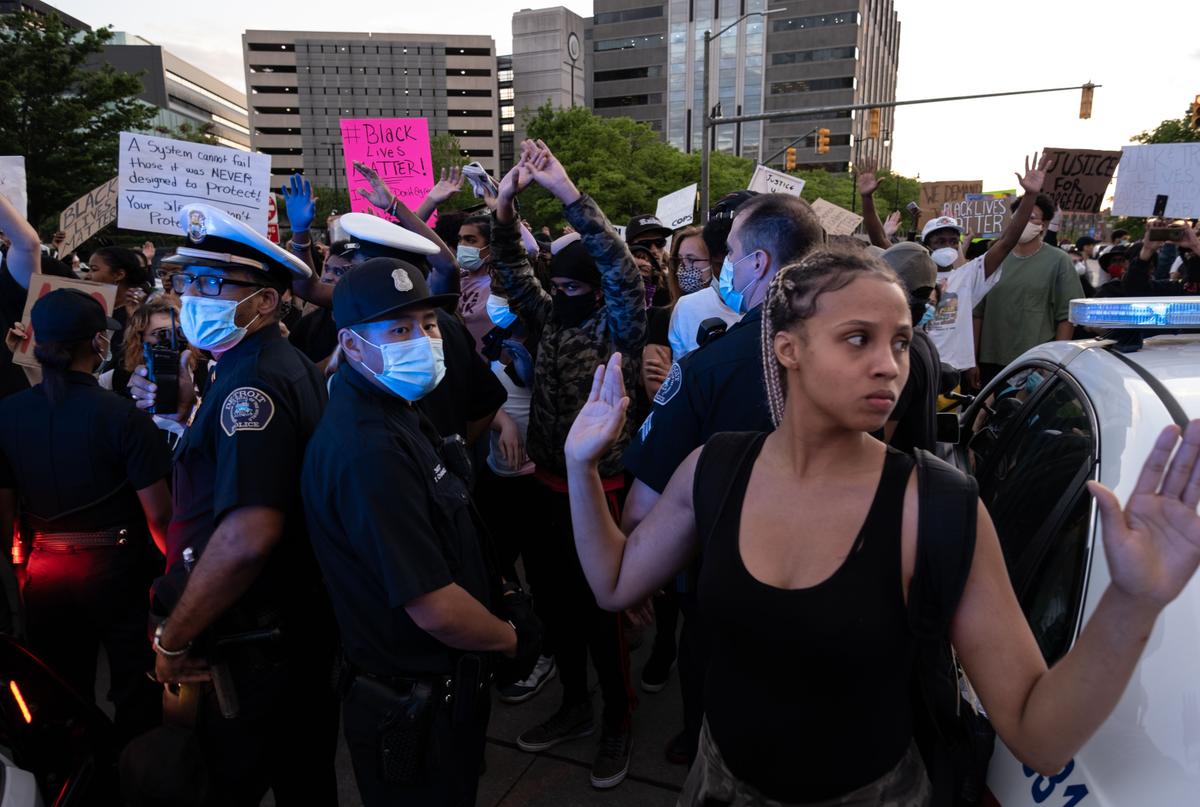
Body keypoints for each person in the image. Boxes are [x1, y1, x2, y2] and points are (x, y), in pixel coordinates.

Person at [564, 250, 1200, 805]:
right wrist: (580, 467)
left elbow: (1038, 734)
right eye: (857, 338)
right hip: (718, 786)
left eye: (899, 340)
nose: (890, 365)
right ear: (789, 347)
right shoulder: (716, 470)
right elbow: (616, 583)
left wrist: (1133, 602)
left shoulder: (938, 506)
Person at [301, 256, 541, 807]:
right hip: (410, 703)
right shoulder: (369, 450)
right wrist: (509, 641)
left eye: (429, 325)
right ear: (353, 345)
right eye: (400, 329)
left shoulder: (397, 408)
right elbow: (432, 605)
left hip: (440, 695)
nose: (424, 340)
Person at [128, 204, 337, 805]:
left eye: (211, 284)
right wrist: (184, 415)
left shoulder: (252, 385)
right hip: (273, 630)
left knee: (241, 778)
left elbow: (247, 537)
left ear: (266, 301)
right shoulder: (245, 366)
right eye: (186, 281)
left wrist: (174, 639)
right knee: (303, 774)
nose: (192, 295)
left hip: (256, 640)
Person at [621, 192, 824, 765]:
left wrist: (638, 570)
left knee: (715, 692)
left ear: (758, 263)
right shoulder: (855, 356)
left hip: (723, 582)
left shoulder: (707, 368)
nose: (722, 265)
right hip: (830, 582)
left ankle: (700, 746)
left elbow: (641, 509)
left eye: (730, 251)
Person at [490, 139, 645, 788]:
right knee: (557, 607)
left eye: (575, 285)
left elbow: (622, 272)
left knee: (600, 612)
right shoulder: (552, 314)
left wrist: (566, 193)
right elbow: (509, 266)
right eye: (558, 284)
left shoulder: (618, 323)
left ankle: (618, 717)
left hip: (601, 487)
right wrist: (502, 206)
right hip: (546, 487)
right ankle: (575, 704)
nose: (563, 292)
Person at [0, 289, 172, 744]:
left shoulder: (9, 414)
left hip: (43, 573)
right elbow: (160, 516)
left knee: (60, 695)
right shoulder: (125, 417)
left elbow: (4, 516)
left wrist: (18, 579)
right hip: (120, 574)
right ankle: (135, 777)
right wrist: (175, 583)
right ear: (98, 343)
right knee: (137, 693)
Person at [283, 173, 507, 447]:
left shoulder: (443, 324)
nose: (350, 276)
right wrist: (300, 231)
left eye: (359, 267)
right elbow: (309, 288)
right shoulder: (365, 309)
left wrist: (452, 458)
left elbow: (487, 402)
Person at [860, 153, 1053, 390]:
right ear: (928, 245)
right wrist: (866, 198)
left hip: (954, 375)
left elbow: (1006, 242)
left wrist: (1030, 196)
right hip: (914, 368)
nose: (948, 246)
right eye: (940, 241)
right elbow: (880, 240)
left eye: (953, 241)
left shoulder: (970, 275)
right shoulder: (912, 273)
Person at [973, 191, 1083, 386]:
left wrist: (1054, 366)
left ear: (1045, 224)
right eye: (1019, 216)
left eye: (1031, 217)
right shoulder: (994, 257)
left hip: (1035, 365)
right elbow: (977, 313)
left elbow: (1067, 317)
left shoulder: (1059, 261)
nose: (1023, 222)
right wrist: (971, 360)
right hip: (990, 363)